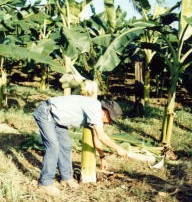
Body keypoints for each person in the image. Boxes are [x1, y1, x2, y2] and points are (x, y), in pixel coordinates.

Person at [33, 95, 128, 195]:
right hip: (46, 112)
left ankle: (66, 178)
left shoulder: (95, 113)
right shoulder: (95, 109)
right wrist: (118, 148)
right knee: (53, 146)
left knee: (66, 145)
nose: (109, 123)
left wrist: (102, 157)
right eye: (110, 120)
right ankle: (45, 183)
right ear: (106, 113)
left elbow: (96, 137)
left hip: (58, 120)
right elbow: (102, 136)